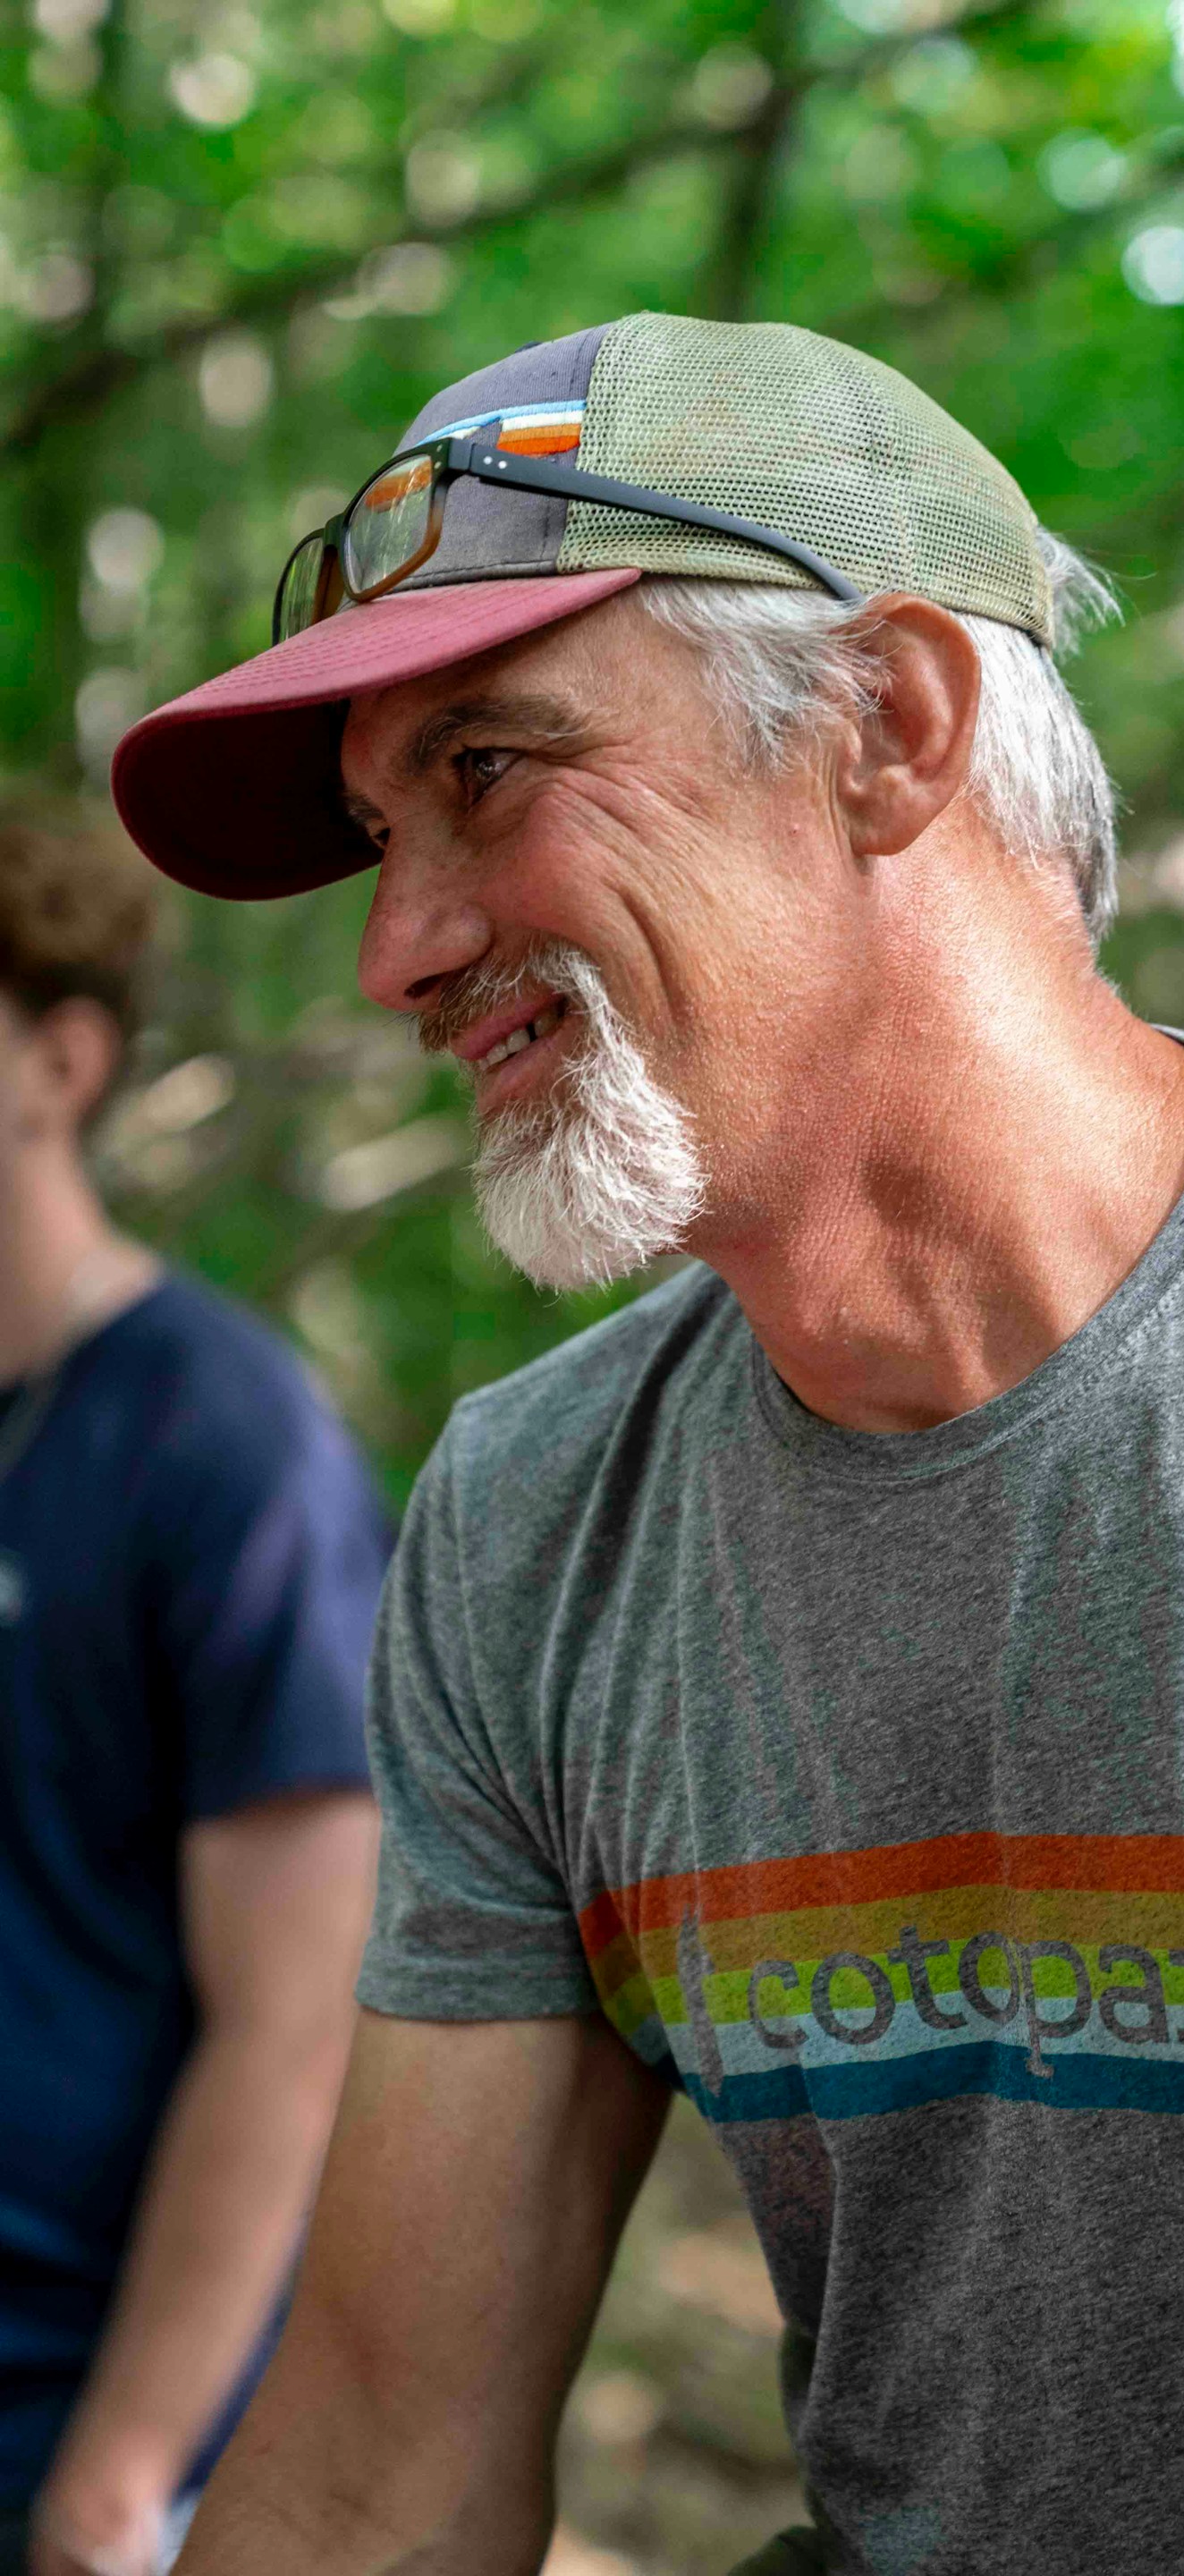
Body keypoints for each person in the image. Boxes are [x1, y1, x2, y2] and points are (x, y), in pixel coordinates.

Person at [113, 313, 1184, 2575]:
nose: (401, 945)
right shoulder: (534, 1521)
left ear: (887, 726)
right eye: (383, 832)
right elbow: (383, 2448)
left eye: (489, 771)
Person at [0, 822, 391, 2576]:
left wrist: (121, 2473)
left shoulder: (223, 1443)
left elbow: (297, 2028)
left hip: (68, 2429)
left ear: (56, 1062)